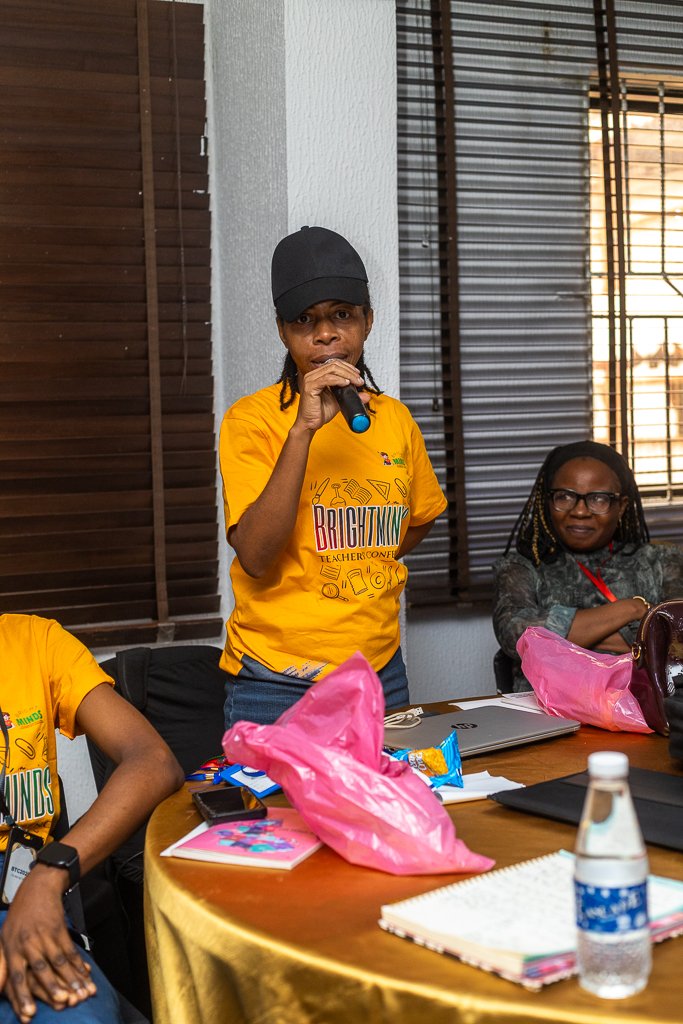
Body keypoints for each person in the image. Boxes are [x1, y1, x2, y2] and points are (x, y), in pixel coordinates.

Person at [219, 225, 447, 726]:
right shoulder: (251, 420)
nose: (325, 334)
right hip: (276, 680)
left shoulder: (395, 420)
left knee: (388, 781)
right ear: (283, 332)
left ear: (368, 321)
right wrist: (303, 430)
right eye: (305, 320)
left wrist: (361, 554)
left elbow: (422, 516)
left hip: (379, 670)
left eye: (342, 314)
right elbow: (255, 556)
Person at [0, 613, 184, 1024]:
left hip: (22, 889)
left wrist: (48, 875)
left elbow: (154, 762)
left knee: (81, 1017)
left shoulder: (36, 641)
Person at [493, 439, 683, 690]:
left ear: (621, 506)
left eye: (599, 499)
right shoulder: (522, 566)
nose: (580, 511)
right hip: (548, 708)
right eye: (564, 496)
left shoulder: (661, 560)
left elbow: (677, 644)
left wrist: (565, 639)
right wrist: (633, 609)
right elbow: (517, 636)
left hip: (645, 707)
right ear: (548, 502)